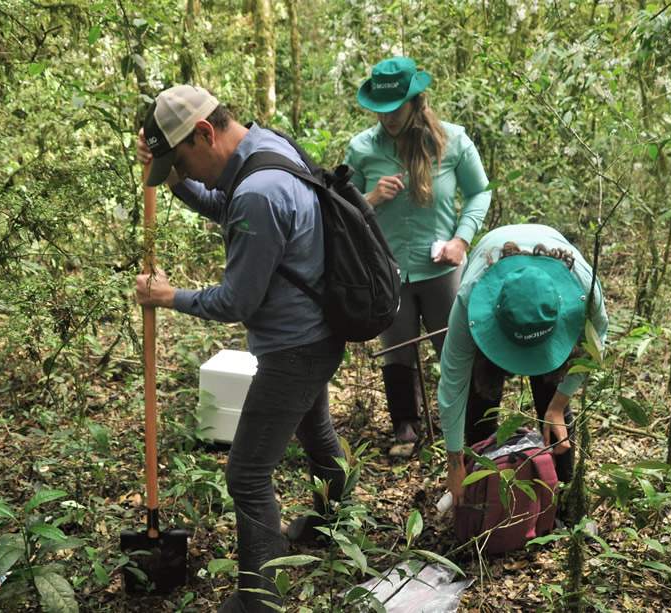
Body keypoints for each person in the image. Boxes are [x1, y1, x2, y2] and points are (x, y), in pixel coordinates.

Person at [134, 84, 346, 613]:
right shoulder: (266, 147)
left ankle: (260, 597)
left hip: (295, 349)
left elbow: (237, 301)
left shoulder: (258, 191)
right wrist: (173, 175)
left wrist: (169, 296)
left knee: (247, 473)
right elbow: (219, 201)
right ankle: (332, 527)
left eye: (184, 160)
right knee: (316, 433)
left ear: (204, 133)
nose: (190, 172)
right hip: (319, 334)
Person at [344, 57, 491, 457]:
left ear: (415, 101)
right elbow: (340, 206)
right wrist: (371, 198)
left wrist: (462, 239)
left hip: (441, 267)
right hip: (387, 269)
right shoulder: (362, 148)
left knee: (455, 347)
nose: (387, 117)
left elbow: (480, 191)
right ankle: (405, 429)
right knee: (396, 348)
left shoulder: (452, 141)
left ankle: (464, 430)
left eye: (396, 108)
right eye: (380, 108)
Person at [436, 224, 608, 506]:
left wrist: (558, 403)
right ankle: (480, 485)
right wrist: (454, 462)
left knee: (552, 401)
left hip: (550, 311)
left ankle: (563, 495)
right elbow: (453, 381)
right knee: (481, 396)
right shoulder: (471, 297)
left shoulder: (583, 287)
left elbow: (596, 343)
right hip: (497, 310)